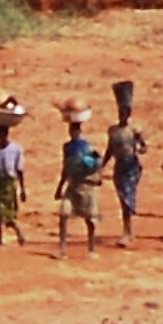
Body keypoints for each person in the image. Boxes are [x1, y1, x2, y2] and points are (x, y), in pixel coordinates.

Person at [102, 80, 148, 251]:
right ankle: (127, 230)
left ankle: (128, 231)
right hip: (120, 167)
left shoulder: (134, 130)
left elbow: (144, 147)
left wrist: (139, 147)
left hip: (132, 167)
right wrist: (101, 167)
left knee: (127, 198)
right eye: (121, 111)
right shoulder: (113, 131)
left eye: (125, 111)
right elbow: (109, 150)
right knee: (123, 200)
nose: (123, 114)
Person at [55, 100, 104, 257]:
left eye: (75, 130)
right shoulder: (68, 147)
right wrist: (60, 187)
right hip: (73, 185)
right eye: (71, 130)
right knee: (64, 214)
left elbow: (96, 163)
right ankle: (62, 249)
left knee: (90, 220)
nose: (73, 132)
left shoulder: (86, 147)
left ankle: (91, 248)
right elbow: (66, 168)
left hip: (85, 186)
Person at [0, 92, 29, 246]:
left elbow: (20, 170)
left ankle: (18, 232)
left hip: (9, 183)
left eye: (1, 133)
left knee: (9, 215)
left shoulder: (16, 149)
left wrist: (22, 189)